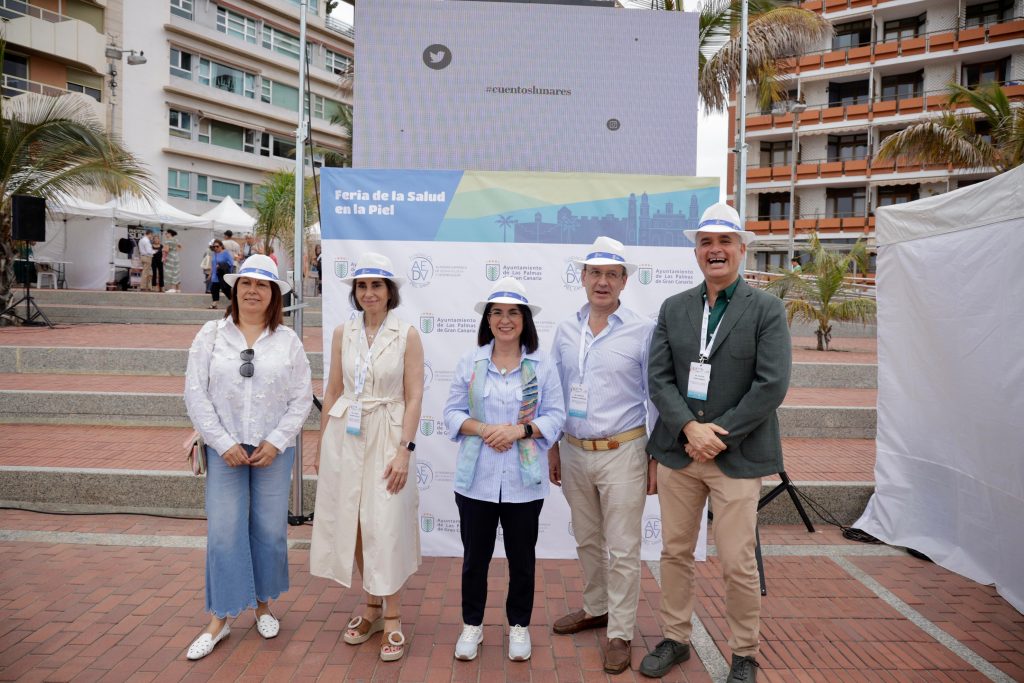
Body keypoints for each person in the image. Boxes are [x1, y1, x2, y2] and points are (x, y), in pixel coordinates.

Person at [640, 203, 791, 682]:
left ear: (742, 250)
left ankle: (744, 652)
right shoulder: (674, 308)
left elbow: (771, 385)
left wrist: (715, 435)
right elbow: (659, 378)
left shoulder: (766, 309)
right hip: (679, 453)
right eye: (706, 242)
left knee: (737, 561)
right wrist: (689, 428)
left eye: (725, 242)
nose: (715, 250)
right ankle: (675, 639)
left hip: (737, 456)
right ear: (697, 252)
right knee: (674, 553)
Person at [183, 254, 313, 661]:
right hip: (226, 451)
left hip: (274, 452)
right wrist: (222, 442)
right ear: (234, 291)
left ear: (274, 294)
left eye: (262, 285)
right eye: (246, 284)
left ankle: (263, 606)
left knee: (270, 531)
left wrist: (275, 441)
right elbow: (195, 393)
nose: (253, 291)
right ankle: (220, 618)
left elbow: (302, 398)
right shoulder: (210, 335)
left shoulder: (289, 342)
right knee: (224, 531)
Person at [443, 277, 566, 663]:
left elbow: (556, 416)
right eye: (497, 312)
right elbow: (450, 412)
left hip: (523, 482)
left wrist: (519, 430)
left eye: (513, 312)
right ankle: (472, 626)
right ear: (488, 320)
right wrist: (484, 429)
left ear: (525, 319)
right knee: (474, 559)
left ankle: (519, 627)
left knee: (522, 560)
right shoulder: (472, 361)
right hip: (476, 480)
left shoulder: (541, 364)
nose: (505, 320)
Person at [548, 236, 656, 675]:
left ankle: (621, 632)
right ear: (583, 277)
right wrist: (554, 447)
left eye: (612, 274)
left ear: (625, 281)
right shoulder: (565, 329)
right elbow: (554, 393)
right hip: (573, 450)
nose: (603, 282)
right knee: (588, 539)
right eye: (595, 273)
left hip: (624, 451)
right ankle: (597, 608)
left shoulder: (642, 330)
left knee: (625, 547)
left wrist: (655, 459)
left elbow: (656, 398)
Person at [310, 252, 424, 663]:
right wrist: (322, 444)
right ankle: (372, 607)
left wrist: (404, 452)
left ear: (389, 291)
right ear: (355, 293)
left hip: (388, 433)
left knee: (385, 525)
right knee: (354, 525)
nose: (369, 292)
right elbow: (334, 389)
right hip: (346, 434)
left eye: (377, 285)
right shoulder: (344, 332)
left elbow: (414, 398)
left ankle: (392, 615)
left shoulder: (407, 333)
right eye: (362, 286)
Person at [209, 240, 234, 309]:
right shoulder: (214, 254)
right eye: (214, 246)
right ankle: (214, 304)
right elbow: (212, 264)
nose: (216, 248)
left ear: (221, 246)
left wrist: (221, 265)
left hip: (222, 274)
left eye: (217, 246)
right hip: (215, 274)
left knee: (225, 289)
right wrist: (210, 274)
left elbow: (231, 263)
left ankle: (234, 302)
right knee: (214, 289)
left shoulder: (225, 253)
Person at [164, 229, 182, 293]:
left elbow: (166, 250)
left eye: (166, 233)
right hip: (176, 256)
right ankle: (177, 288)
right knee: (176, 271)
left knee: (170, 272)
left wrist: (163, 252)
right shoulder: (176, 240)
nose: (165, 235)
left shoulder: (168, 241)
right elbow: (180, 247)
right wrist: (175, 250)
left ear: (169, 234)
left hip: (170, 257)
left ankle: (172, 288)